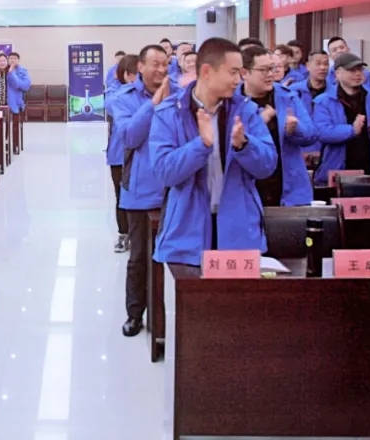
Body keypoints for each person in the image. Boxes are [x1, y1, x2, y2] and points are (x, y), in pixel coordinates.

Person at [150, 38, 276, 265]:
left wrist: (244, 145)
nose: (238, 80)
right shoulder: (170, 113)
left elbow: (267, 166)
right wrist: (201, 146)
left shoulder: (245, 110)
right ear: (207, 71)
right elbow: (165, 173)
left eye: (241, 73)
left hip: (239, 231)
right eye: (233, 72)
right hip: (187, 235)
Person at [112, 44, 173, 337]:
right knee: (139, 257)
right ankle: (135, 314)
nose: (161, 70)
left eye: (165, 64)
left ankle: (167, 314)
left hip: (176, 187)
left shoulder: (180, 94)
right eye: (155, 64)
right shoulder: (123, 98)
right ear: (140, 67)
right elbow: (130, 136)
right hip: (141, 189)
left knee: (171, 256)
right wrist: (154, 104)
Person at [241, 46, 316, 207]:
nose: (270, 74)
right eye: (263, 70)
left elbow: (311, 134)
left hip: (287, 187)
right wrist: (259, 121)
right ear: (244, 73)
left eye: (272, 68)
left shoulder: (287, 96)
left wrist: (294, 130)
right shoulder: (234, 101)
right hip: (248, 189)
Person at [313, 52, 370, 184]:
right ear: (338, 73)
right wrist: (352, 130)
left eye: (360, 70)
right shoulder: (324, 101)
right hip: (338, 171)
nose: (358, 74)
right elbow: (322, 132)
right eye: (352, 70)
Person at [106, 54, 138, 253]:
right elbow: (111, 106)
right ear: (126, 75)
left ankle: (138, 235)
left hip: (141, 153)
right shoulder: (114, 93)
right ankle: (123, 234)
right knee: (121, 196)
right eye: (136, 74)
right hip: (119, 153)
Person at [292, 49, 331, 160]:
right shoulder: (293, 92)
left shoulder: (335, 93)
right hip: (301, 152)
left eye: (326, 64)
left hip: (327, 152)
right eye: (318, 63)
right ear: (308, 66)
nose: (323, 68)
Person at [6, 51, 32, 118]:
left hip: (17, 101)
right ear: (8, 60)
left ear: (18, 60)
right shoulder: (4, 70)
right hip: (4, 101)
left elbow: (26, 86)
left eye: (15, 58)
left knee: (16, 121)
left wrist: (12, 74)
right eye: (11, 58)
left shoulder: (23, 71)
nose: (13, 60)